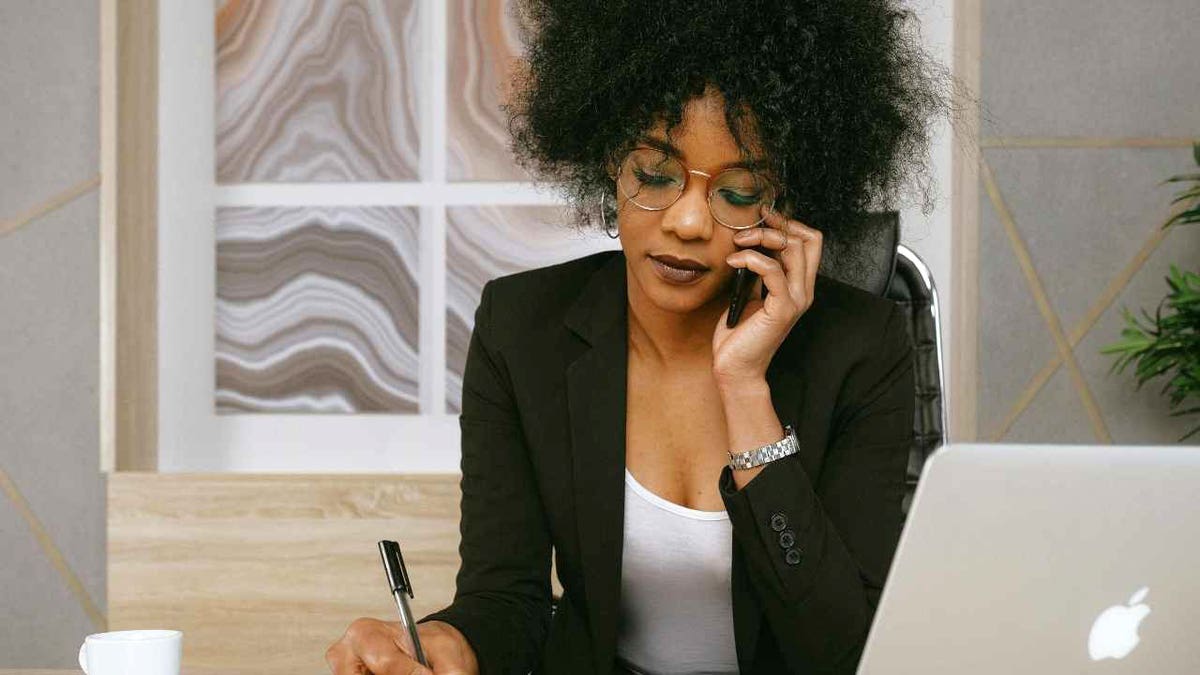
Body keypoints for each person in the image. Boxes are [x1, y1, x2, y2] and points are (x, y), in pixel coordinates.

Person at [327, 1, 954, 673]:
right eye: (656, 174)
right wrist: (448, 644)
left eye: (739, 192)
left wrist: (745, 388)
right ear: (611, 162)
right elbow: (504, 601)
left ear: (785, 203)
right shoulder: (523, 329)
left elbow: (843, 653)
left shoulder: (862, 348)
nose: (687, 221)